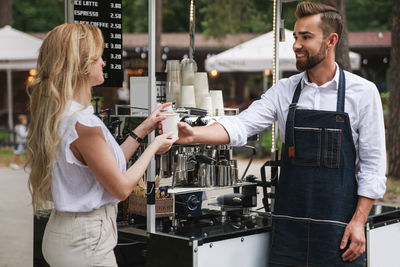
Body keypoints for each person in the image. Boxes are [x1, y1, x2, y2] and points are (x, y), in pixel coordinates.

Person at [177, 2, 386, 266]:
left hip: (340, 230)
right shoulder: (284, 91)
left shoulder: (363, 93)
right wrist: (193, 135)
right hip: (289, 230)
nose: (296, 44)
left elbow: (374, 166)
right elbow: (243, 125)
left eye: (306, 37)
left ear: (331, 40)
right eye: (296, 36)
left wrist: (359, 222)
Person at [26, 23, 177, 267]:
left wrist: (144, 129)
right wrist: (154, 147)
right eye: (98, 57)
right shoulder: (84, 125)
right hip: (86, 241)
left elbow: (108, 165)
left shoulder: (61, 115)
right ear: (80, 65)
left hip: (65, 232)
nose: (104, 63)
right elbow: (120, 188)